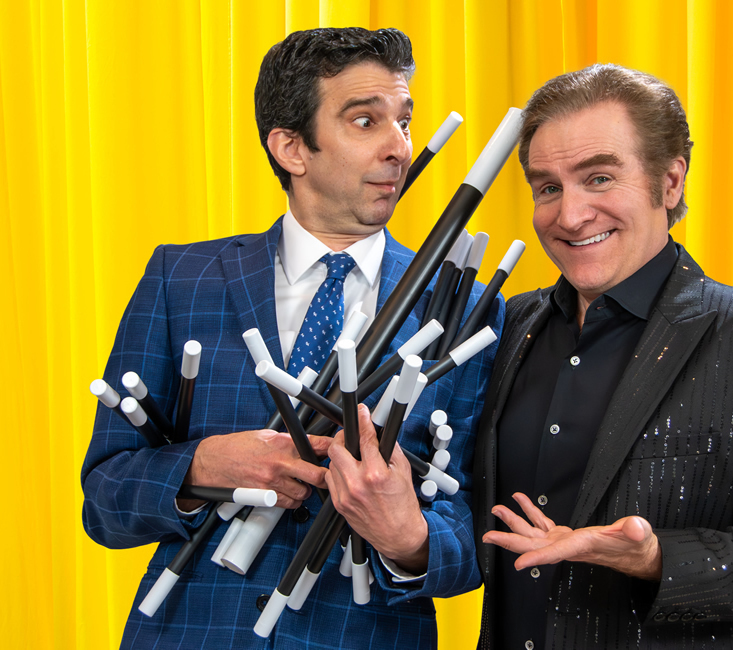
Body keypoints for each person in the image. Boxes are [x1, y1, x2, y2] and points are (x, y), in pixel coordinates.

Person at [81, 27, 501, 649]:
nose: (400, 148)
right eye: (366, 121)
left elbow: (472, 537)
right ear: (292, 148)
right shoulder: (182, 278)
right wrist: (199, 467)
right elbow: (103, 501)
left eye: (405, 122)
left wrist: (408, 536)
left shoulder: (465, 305)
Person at [473, 64, 733, 649]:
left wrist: (658, 558)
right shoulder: (506, 325)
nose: (570, 215)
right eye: (548, 187)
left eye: (599, 178)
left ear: (671, 182)